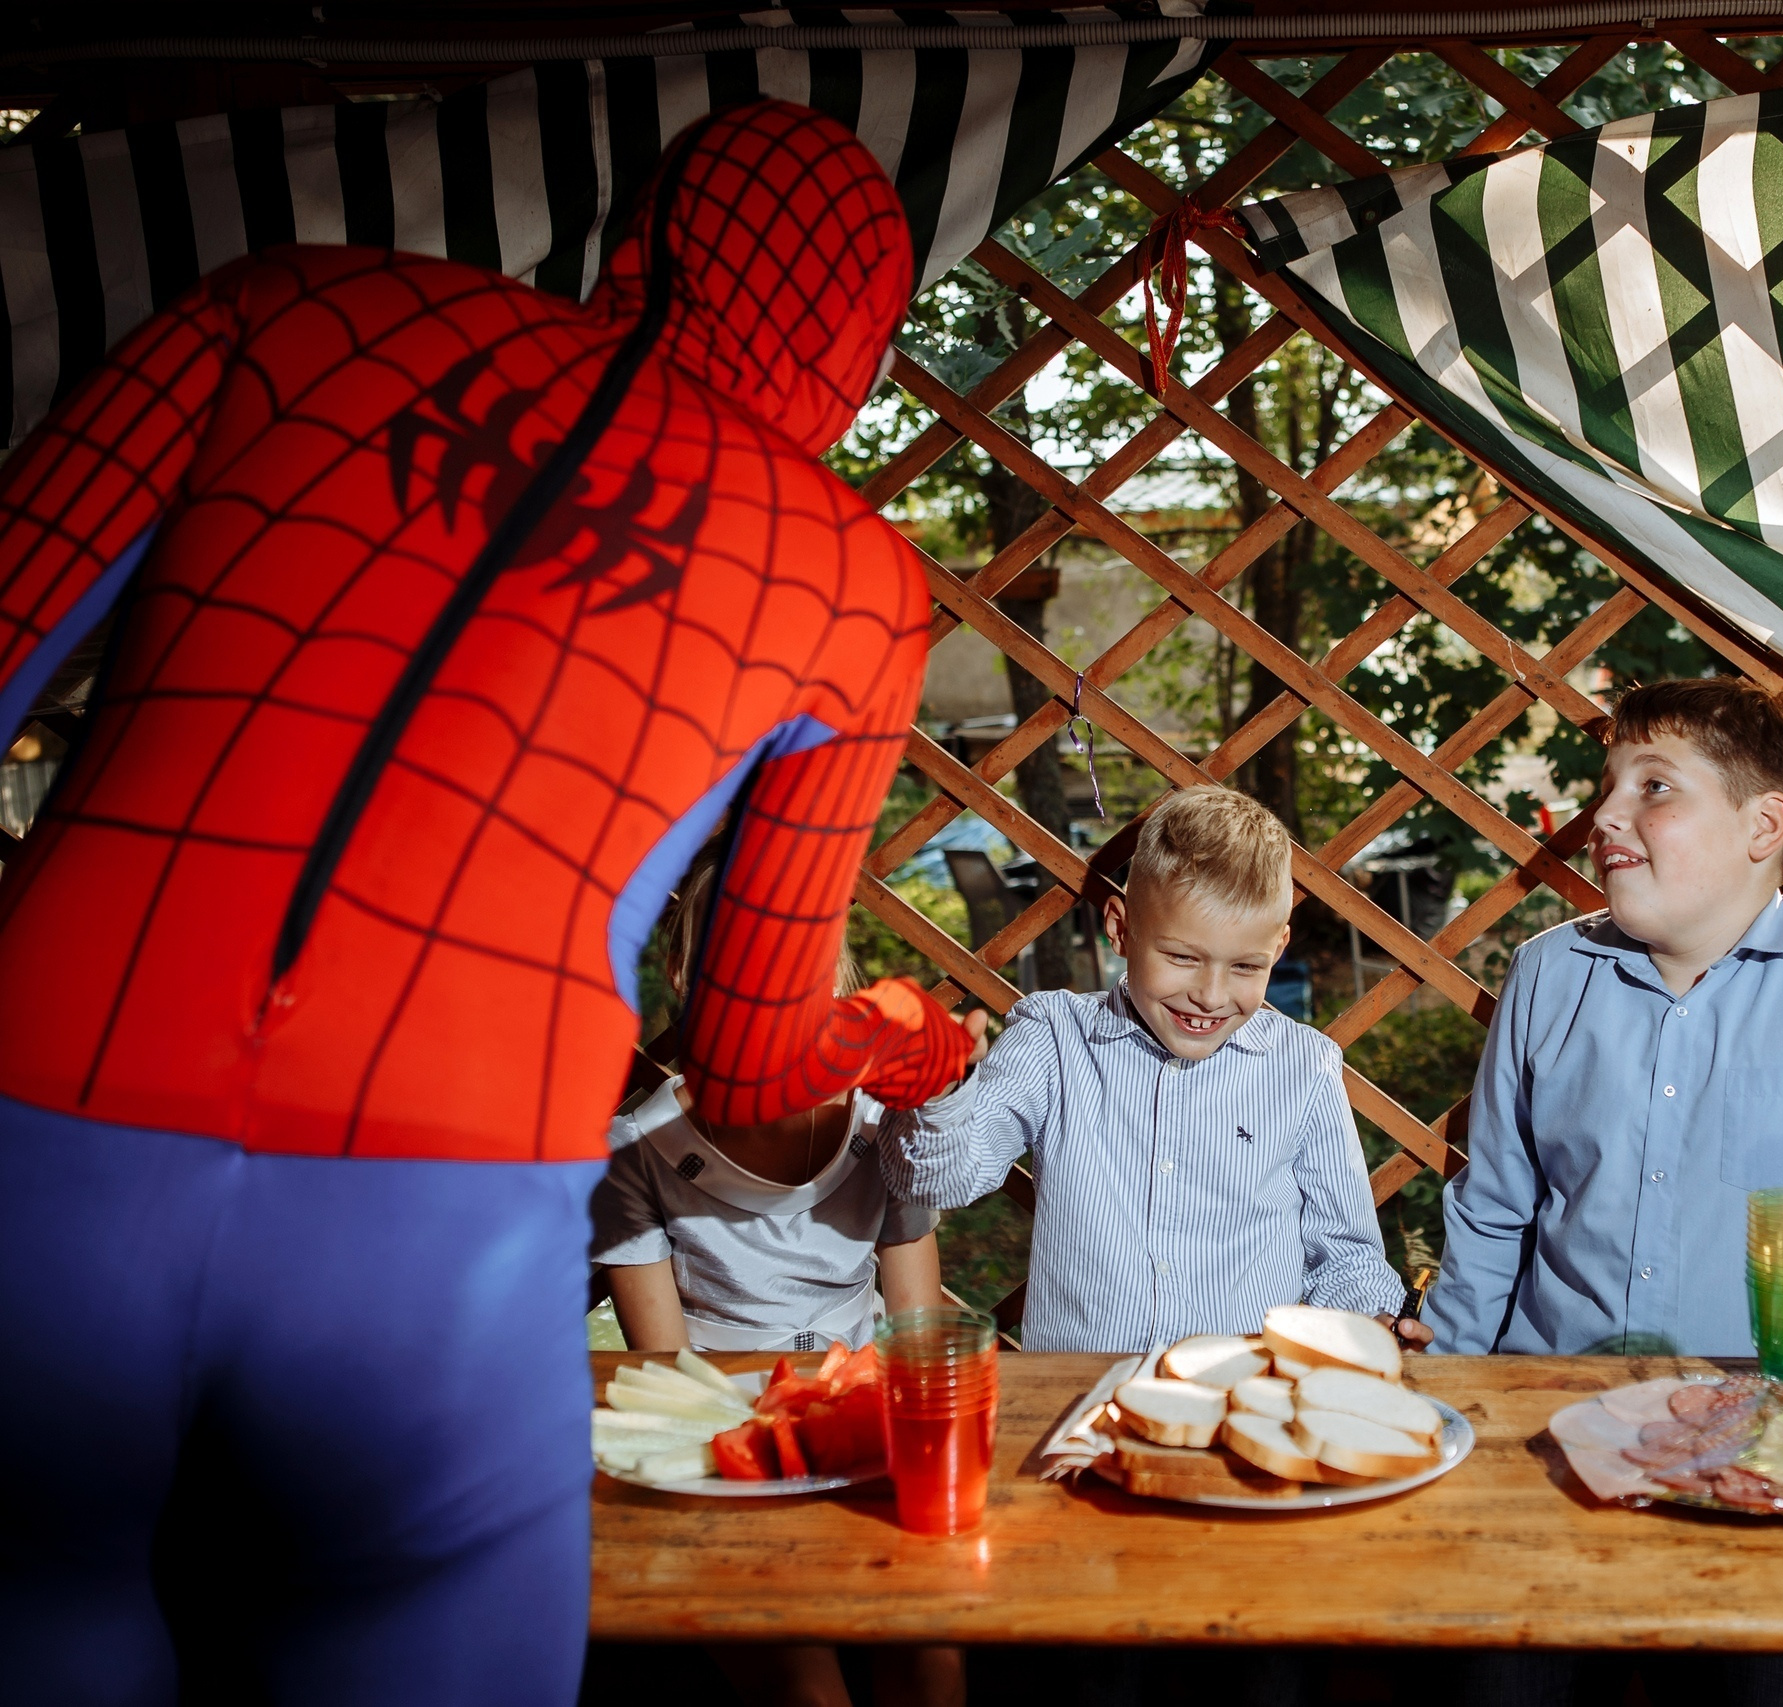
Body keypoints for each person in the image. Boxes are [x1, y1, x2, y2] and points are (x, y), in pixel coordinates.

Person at [0, 101, 970, 1707]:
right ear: (856, 356)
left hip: (40, 1107)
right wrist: (902, 1040)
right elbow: (745, 1060)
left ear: (633, 245)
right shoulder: (850, 578)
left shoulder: (285, 304)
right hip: (435, 1202)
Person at [1424, 676, 1783, 1707]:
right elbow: (1492, 1215)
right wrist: (1444, 1411)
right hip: (1549, 1444)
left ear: (1764, 825)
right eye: (1606, 785)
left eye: (1652, 788)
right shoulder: (1545, 973)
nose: (1605, 816)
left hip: (1775, 1450)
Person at [596, 870, 978, 1707]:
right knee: (806, 1681)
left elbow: (915, 1332)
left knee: (932, 1656)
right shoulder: (634, 1147)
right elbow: (671, 1368)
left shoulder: (885, 1125)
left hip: (867, 1422)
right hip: (730, 1441)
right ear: (686, 976)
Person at [881, 785, 1412, 1354]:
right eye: (1182, 957)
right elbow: (938, 1179)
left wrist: (1370, 1321)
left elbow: (1346, 1251)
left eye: (1244, 966)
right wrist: (938, 1098)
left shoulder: (1303, 1070)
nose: (1210, 995)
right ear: (1121, 928)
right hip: (1076, 1398)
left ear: (1277, 948)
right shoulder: (1056, 1040)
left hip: (1239, 1395)